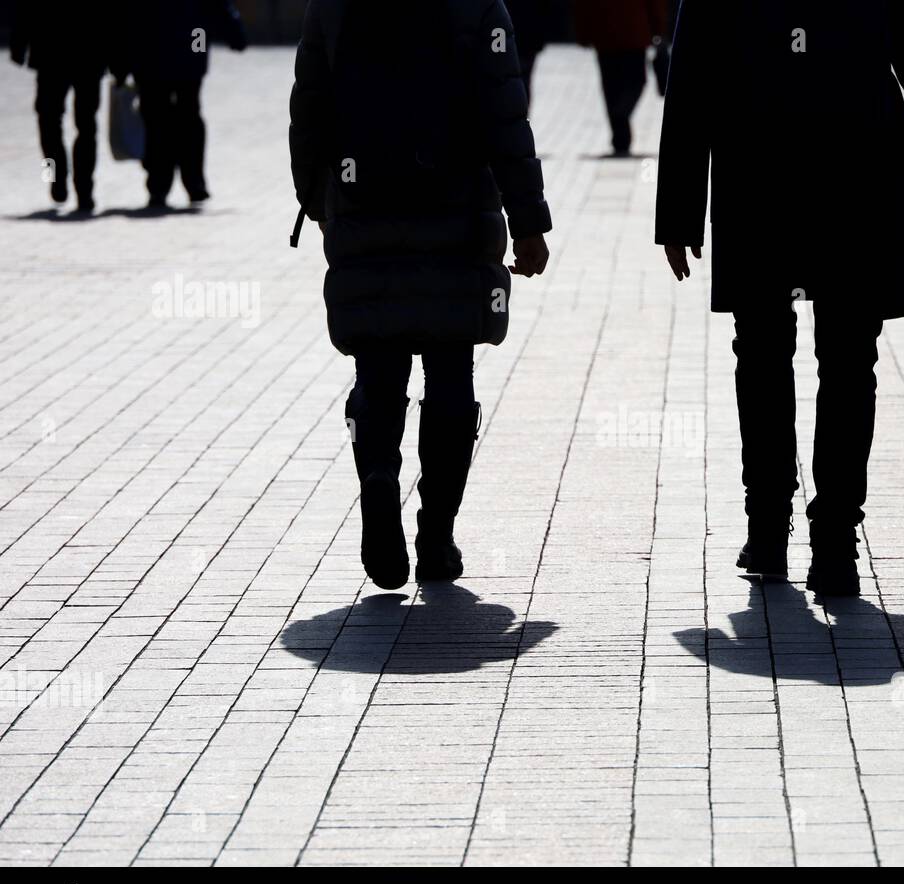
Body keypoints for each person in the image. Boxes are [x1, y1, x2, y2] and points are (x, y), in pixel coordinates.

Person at [656, 0, 904, 598]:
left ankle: (770, 530)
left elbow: (694, 71)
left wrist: (680, 210)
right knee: (848, 358)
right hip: (858, 171)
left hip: (758, 171)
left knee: (762, 352)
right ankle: (833, 540)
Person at [290, 0, 552, 590]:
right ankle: (437, 534)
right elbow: (504, 117)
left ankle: (379, 473)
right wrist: (529, 219)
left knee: (379, 373)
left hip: (364, 210)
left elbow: (309, 104)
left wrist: (315, 197)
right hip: (454, 215)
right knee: (452, 379)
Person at [118, 0, 248, 208]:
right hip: (188, 51)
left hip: (152, 54)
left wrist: (120, 62)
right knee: (188, 118)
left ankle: (160, 184)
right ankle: (193, 181)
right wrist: (235, 33)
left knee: (157, 122)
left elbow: (125, 13)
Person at [9, 0, 125, 214]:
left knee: (49, 121)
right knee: (84, 125)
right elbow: (114, 15)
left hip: (52, 53)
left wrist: (18, 43)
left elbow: (27, 9)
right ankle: (84, 190)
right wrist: (119, 61)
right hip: (88, 54)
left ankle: (56, 179)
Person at [572, 0, 670, 156]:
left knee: (612, 86)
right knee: (633, 82)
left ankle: (620, 131)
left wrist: (583, 33)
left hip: (608, 34)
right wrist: (658, 28)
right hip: (633, 33)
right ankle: (620, 123)